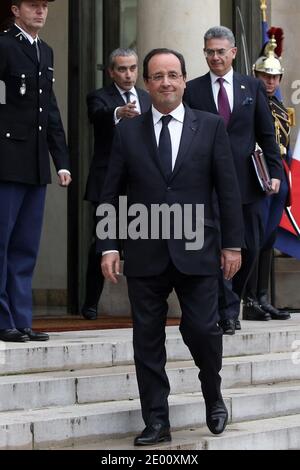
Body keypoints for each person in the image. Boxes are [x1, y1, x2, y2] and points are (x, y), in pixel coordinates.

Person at [98, 48, 244, 445]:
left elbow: (228, 191)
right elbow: (109, 194)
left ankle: (212, 396)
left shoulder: (211, 126)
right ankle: (157, 421)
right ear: (146, 84)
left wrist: (233, 244)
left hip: (198, 248)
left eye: (173, 75)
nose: (166, 83)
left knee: (201, 329)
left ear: (183, 79)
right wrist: (108, 245)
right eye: (158, 76)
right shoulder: (128, 131)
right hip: (144, 252)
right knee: (147, 339)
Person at [184, 26, 283, 334]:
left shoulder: (251, 87)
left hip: (247, 183)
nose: (215, 57)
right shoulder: (194, 89)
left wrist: (276, 172)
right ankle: (226, 312)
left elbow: (267, 133)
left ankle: (234, 298)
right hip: (207, 184)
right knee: (217, 249)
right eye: (209, 52)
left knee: (250, 246)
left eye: (220, 51)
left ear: (233, 53)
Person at [0, 0, 71, 342]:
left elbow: (49, 109)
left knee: (26, 247)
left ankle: (21, 318)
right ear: (15, 9)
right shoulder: (3, 45)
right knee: (2, 243)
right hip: (5, 161)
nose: (41, 12)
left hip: (34, 164)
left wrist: (63, 160)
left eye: (44, 6)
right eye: (33, 5)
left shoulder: (45, 50)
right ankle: (3, 319)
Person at [82, 48, 151, 320]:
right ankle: (90, 302)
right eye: (122, 69)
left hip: (140, 184)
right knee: (103, 240)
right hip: (108, 181)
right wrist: (118, 113)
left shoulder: (146, 98)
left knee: (139, 242)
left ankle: (141, 303)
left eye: (133, 68)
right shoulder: (99, 97)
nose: (128, 74)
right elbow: (97, 117)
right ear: (111, 72)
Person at [243, 31, 292, 320]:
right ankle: (249, 300)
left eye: (274, 77)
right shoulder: (249, 103)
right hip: (256, 176)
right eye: (265, 76)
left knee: (268, 239)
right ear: (255, 75)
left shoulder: (280, 109)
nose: (270, 82)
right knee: (254, 237)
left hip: (277, 176)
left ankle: (263, 297)